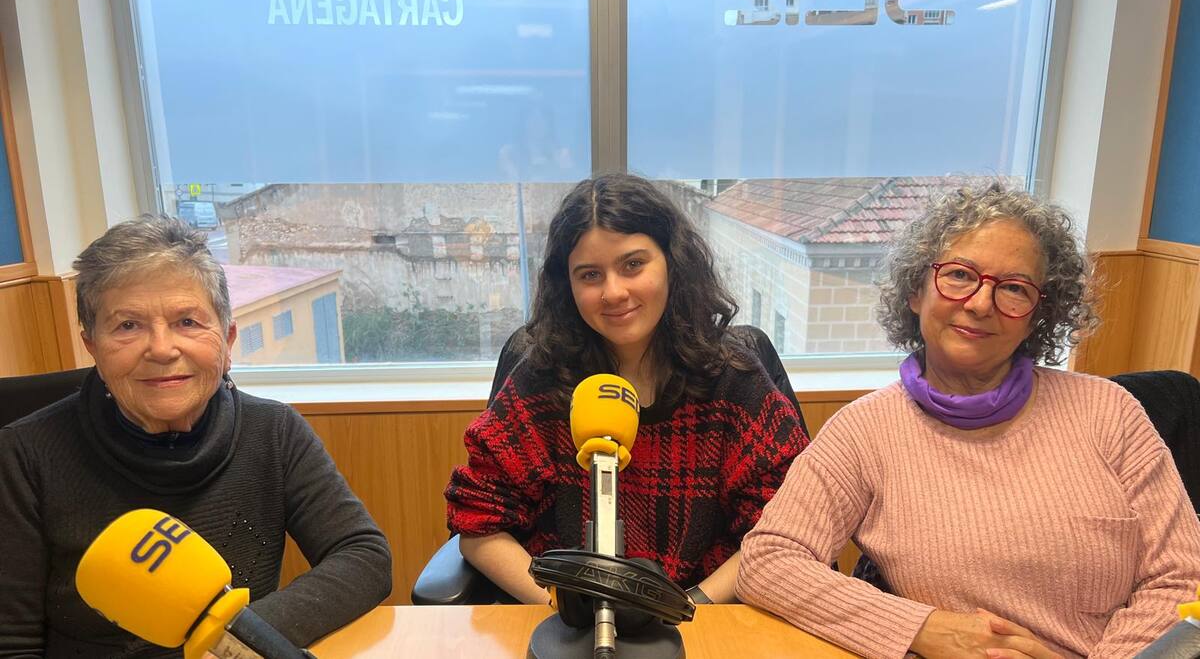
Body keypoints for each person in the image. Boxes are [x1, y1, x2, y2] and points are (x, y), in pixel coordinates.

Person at [736, 183, 1200, 659]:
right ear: (916, 291)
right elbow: (769, 560)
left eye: (1015, 288)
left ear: (1037, 316)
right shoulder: (863, 431)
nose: (980, 304)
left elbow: (1184, 575)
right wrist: (926, 629)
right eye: (959, 275)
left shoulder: (1111, 412)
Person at [0, 216, 391, 657]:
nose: (163, 349)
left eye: (187, 321)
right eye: (128, 325)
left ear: (227, 340)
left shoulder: (273, 432)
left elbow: (363, 556)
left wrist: (233, 643)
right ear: (92, 345)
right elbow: (11, 643)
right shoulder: (24, 456)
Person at [444, 173, 809, 605]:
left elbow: (785, 527)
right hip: (565, 623)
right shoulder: (542, 377)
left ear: (672, 263)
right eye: (590, 274)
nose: (614, 292)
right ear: (569, 286)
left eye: (633, 264)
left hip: (703, 618)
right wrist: (561, 608)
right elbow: (477, 524)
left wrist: (686, 611)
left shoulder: (734, 380)